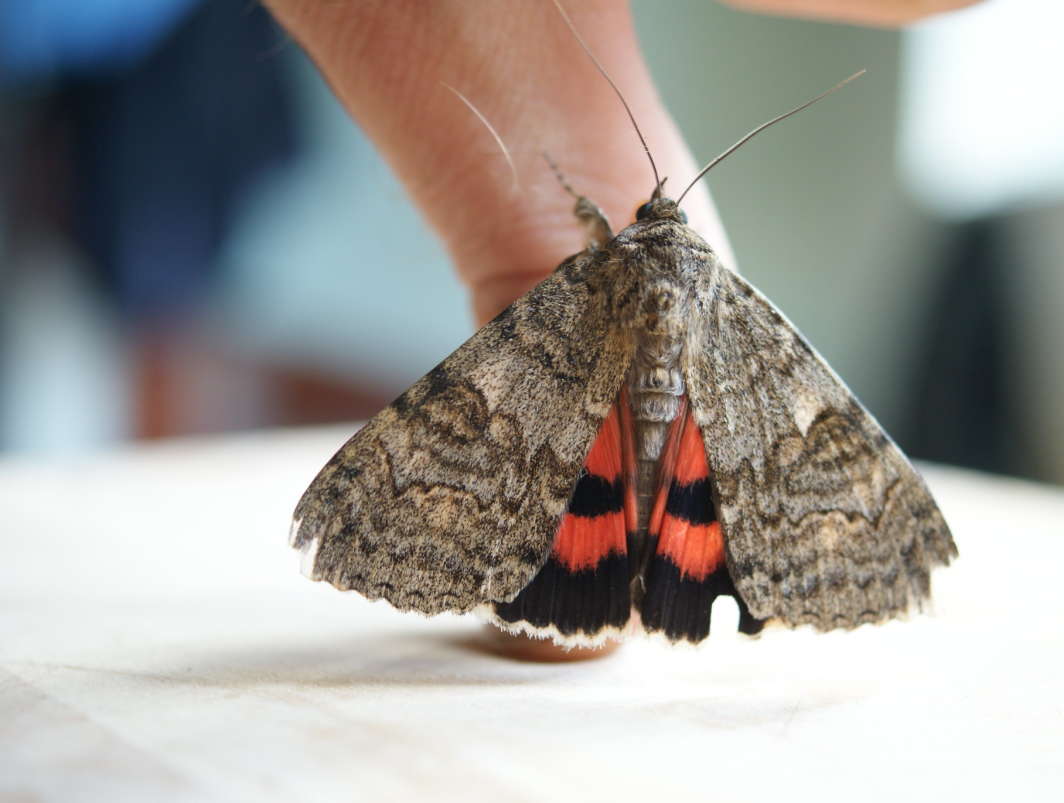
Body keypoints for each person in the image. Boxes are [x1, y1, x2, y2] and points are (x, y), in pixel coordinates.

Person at [263, 0, 976, 660]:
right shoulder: (734, 305)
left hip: (592, 448)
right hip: (686, 480)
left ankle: (582, 555)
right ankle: (680, 558)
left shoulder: (600, 264)